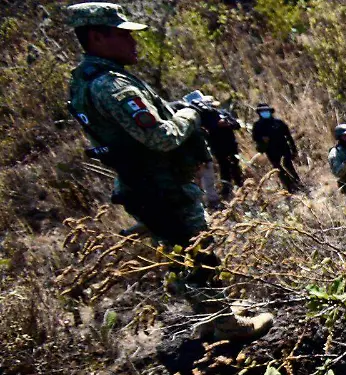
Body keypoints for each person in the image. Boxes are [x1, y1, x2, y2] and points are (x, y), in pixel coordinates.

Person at [66, 2, 272, 342]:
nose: (133, 43)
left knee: (180, 255)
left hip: (142, 185)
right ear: (97, 37)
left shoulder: (85, 81)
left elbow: (131, 129)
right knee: (200, 252)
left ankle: (210, 317)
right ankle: (228, 326)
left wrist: (174, 108)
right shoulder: (111, 85)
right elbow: (161, 137)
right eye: (123, 35)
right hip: (162, 186)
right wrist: (193, 113)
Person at [196, 95, 244, 201]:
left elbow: (236, 125)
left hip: (231, 144)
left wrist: (227, 124)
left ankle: (241, 187)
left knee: (235, 165)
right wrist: (216, 125)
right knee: (224, 168)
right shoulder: (204, 118)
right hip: (218, 146)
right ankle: (227, 191)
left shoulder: (224, 113)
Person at [251, 103, 302, 193]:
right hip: (271, 151)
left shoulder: (279, 122)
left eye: (266, 111)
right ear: (259, 113)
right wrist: (262, 140)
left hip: (284, 149)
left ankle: (298, 185)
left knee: (289, 167)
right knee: (279, 169)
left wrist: (293, 149)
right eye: (263, 112)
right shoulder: (257, 125)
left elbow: (288, 136)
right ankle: (289, 189)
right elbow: (255, 138)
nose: (265, 113)